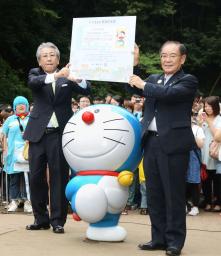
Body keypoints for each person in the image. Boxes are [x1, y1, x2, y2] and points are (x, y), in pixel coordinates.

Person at [127, 41, 198, 256]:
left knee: (173, 194)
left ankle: (175, 241)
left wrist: (143, 84)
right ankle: (158, 238)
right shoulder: (153, 78)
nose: (166, 60)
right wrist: (135, 65)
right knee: (155, 193)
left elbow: (167, 94)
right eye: (163, 55)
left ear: (182, 58)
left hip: (174, 144)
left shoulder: (188, 80)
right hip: (151, 142)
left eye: (172, 55)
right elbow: (131, 86)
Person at [23, 42, 91, 234]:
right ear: (39, 60)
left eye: (52, 55)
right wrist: (57, 76)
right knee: (36, 177)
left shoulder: (67, 75)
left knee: (59, 176)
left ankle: (57, 221)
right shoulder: (35, 74)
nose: (49, 58)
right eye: (44, 56)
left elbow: (86, 90)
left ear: (58, 59)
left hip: (60, 134)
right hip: (38, 134)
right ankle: (40, 218)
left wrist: (75, 78)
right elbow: (33, 84)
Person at [2, 96, 32, 213]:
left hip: (27, 152)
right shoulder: (10, 120)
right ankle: (14, 201)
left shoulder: (32, 118)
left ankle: (27, 202)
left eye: (23, 103)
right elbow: (3, 136)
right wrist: (5, 150)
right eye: (18, 104)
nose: (21, 106)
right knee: (14, 178)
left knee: (27, 178)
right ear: (15, 106)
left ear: (27, 105)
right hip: (13, 153)